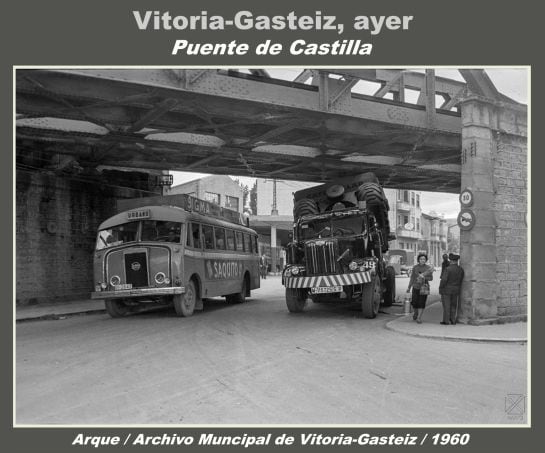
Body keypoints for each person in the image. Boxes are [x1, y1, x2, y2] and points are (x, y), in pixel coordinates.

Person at [406, 253, 434, 324]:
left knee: (421, 303)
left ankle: (419, 318)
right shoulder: (415, 267)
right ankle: (415, 313)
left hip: (424, 287)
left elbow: (431, 278)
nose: (422, 260)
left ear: (426, 260)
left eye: (424, 259)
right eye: (421, 259)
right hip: (415, 287)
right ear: (418, 260)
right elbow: (412, 278)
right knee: (414, 302)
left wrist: (424, 277)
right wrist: (409, 287)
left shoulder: (428, 268)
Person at [439, 253, 465, 325]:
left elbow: (444, 280)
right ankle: (453, 320)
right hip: (456, 289)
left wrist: (441, 288)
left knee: (446, 305)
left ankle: (446, 320)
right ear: (457, 261)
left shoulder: (448, 269)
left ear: (451, 261)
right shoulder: (461, 269)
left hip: (446, 289)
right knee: (454, 305)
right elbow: (461, 279)